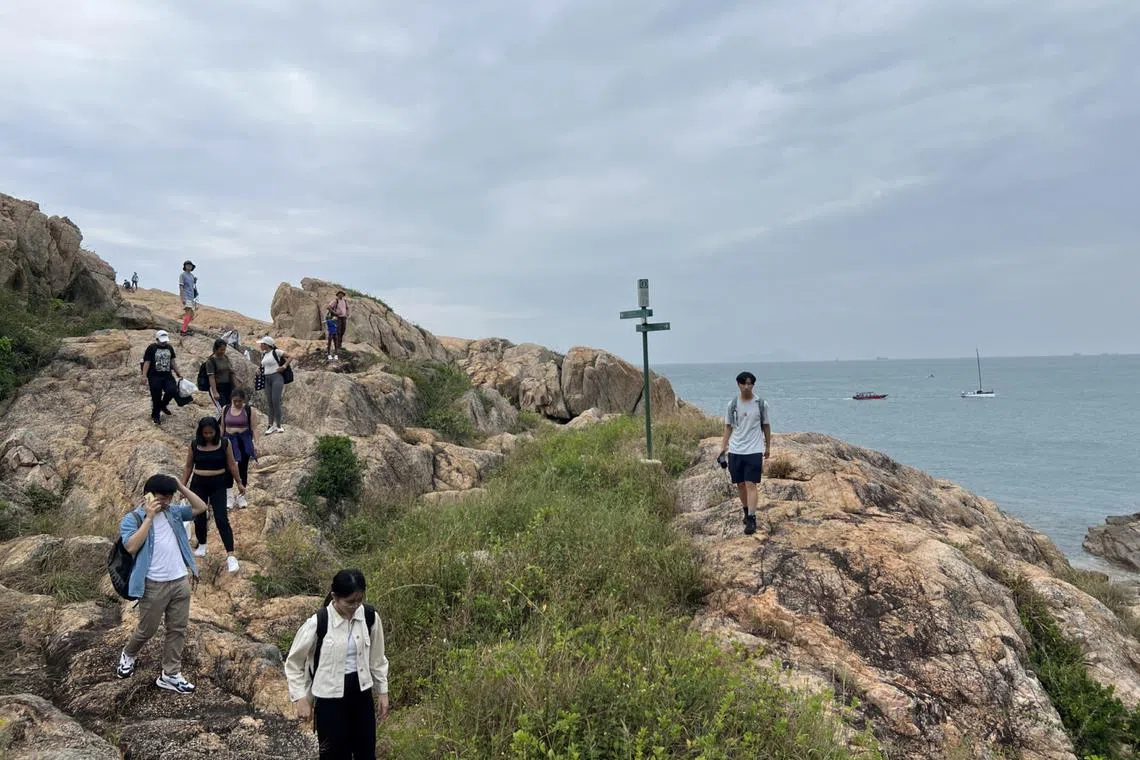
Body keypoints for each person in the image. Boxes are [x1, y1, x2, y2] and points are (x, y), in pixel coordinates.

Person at [115, 473, 208, 694]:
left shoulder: (173, 513)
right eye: (161, 497)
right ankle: (128, 654)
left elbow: (200, 507)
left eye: (169, 497)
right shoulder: (133, 519)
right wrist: (149, 517)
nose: (165, 501)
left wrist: (180, 486)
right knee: (147, 629)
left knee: (177, 629)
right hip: (153, 584)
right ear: (148, 495)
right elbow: (130, 547)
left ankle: (170, 674)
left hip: (179, 580)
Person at [284, 569, 390, 759]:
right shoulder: (318, 622)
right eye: (349, 602)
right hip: (329, 698)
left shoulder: (369, 617)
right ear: (335, 596)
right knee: (333, 754)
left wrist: (382, 691)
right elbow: (293, 662)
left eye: (359, 600)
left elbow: (377, 659)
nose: (355, 606)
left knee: (365, 752)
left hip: (361, 694)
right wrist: (300, 698)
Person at [182, 416, 245, 573]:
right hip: (198, 483)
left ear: (216, 431)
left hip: (218, 483)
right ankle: (202, 544)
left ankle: (230, 555)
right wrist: (182, 487)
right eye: (205, 433)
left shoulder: (224, 443)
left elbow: (231, 464)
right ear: (200, 432)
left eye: (211, 432)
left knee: (221, 518)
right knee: (200, 516)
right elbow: (188, 466)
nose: (208, 435)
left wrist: (239, 482)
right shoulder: (194, 445)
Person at [718, 371, 772, 536]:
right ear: (739, 384)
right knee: (740, 484)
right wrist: (723, 446)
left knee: (751, 484)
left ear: (753, 385)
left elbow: (766, 426)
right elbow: (728, 426)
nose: (747, 387)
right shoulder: (732, 404)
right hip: (736, 449)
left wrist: (768, 446)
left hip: (754, 449)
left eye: (750, 384)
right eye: (744, 383)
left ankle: (751, 518)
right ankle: (746, 510)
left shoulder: (761, 404)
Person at [219, 388, 258, 509]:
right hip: (229, 440)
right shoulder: (225, 409)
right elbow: (222, 427)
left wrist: (256, 443)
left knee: (243, 468)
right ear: (231, 399)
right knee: (228, 468)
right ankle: (229, 496)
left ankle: (241, 496)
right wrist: (219, 442)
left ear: (244, 400)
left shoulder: (249, 410)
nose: (237, 403)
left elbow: (254, 428)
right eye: (235, 401)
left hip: (243, 440)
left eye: (239, 401)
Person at [141, 330, 183, 425]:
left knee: (172, 390)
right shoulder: (151, 348)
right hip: (154, 376)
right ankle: (155, 415)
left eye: (165, 340)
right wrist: (144, 376)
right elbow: (147, 362)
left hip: (167, 375)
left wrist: (178, 372)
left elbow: (172, 361)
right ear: (157, 339)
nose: (164, 342)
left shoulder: (169, 348)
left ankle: (163, 405)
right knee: (156, 397)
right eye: (162, 340)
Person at [257, 336, 290, 434]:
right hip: (267, 379)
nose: (260, 345)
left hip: (277, 377)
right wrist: (258, 369)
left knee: (276, 401)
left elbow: (291, 357)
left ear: (266, 344)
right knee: (270, 402)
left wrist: (284, 366)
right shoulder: (263, 354)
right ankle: (270, 425)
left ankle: (279, 425)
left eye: (262, 343)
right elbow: (263, 365)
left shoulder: (277, 352)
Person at [205, 338, 234, 413]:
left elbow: (230, 370)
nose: (223, 352)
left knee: (230, 407)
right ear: (216, 349)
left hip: (228, 386)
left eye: (224, 350)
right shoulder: (211, 361)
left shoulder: (226, 358)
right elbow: (211, 377)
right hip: (218, 387)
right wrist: (215, 392)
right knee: (222, 409)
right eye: (221, 350)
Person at [325, 290, 349, 360]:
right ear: (337, 295)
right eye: (339, 294)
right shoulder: (335, 301)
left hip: (343, 317)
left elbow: (347, 308)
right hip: (337, 318)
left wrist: (347, 314)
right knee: (337, 331)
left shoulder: (345, 301)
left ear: (343, 295)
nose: (340, 295)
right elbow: (328, 307)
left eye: (342, 294)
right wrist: (335, 313)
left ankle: (339, 344)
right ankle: (337, 346)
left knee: (343, 330)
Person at [178, 260, 198, 338]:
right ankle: (183, 330)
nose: (189, 266)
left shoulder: (192, 276)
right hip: (186, 296)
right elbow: (181, 286)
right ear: (185, 266)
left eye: (190, 265)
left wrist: (195, 281)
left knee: (191, 314)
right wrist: (182, 297)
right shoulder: (182, 275)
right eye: (187, 265)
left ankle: (184, 328)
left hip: (191, 297)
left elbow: (192, 285)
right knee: (188, 312)